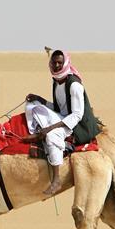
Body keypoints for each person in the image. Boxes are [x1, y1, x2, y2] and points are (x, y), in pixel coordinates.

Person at [22, 49, 100, 196]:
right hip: (63, 117)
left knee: (51, 136)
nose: (57, 65)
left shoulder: (74, 85)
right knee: (33, 107)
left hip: (77, 126)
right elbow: (59, 108)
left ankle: (56, 180)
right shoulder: (56, 82)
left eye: (59, 62)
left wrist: (49, 129)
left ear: (65, 63)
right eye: (54, 62)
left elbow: (76, 115)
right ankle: (38, 133)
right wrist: (40, 99)